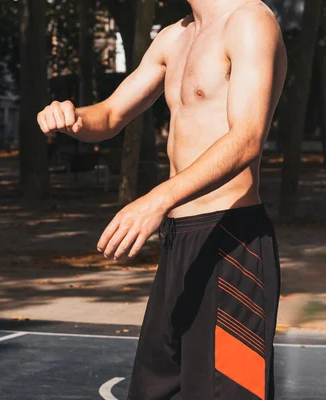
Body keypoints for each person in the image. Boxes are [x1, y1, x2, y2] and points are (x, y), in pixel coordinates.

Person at [37, 0, 287, 399]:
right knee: (154, 389)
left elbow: (246, 140)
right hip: (177, 245)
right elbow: (111, 113)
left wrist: (156, 200)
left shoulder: (250, 22)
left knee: (232, 392)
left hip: (233, 248)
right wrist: (74, 117)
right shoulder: (174, 37)